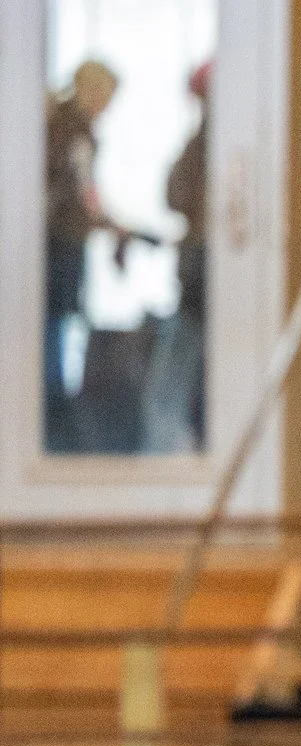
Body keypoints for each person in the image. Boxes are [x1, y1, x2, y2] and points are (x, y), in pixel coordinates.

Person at [44, 60, 124, 453]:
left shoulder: (57, 122)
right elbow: (83, 188)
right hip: (60, 242)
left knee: (52, 325)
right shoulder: (74, 129)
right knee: (53, 325)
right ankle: (55, 417)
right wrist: (112, 225)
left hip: (57, 239)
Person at [143, 61, 211, 454]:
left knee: (178, 370)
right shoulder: (201, 140)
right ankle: (171, 446)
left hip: (204, 268)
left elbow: (178, 193)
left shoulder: (210, 141)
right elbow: (174, 194)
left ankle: (167, 446)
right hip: (198, 269)